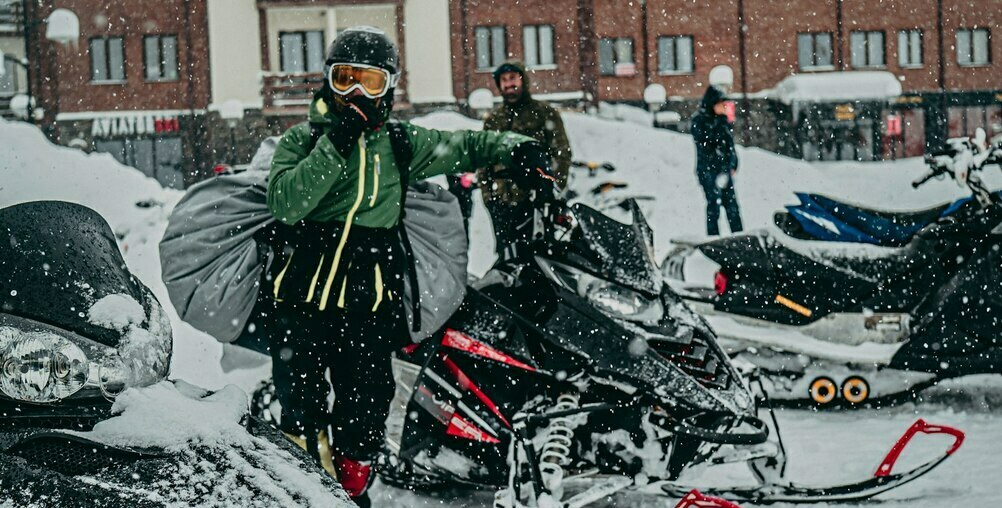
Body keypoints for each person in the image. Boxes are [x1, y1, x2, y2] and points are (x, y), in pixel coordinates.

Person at [262, 27, 553, 505]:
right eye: (346, 79)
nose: (357, 93)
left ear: (389, 87)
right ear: (328, 81)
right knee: (301, 414)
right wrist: (338, 141)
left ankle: (351, 492)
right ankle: (306, 493)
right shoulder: (303, 140)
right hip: (303, 305)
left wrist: (516, 147)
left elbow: (463, 145)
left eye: (370, 81)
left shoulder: (397, 144)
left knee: (366, 413)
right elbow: (287, 203)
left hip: (369, 306)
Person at [480, 60, 571, 258]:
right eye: (504, 80)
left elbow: (561, 153)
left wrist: (551, 188)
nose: (509, 84)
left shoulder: (543, 113)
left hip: (535, 201)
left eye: (513, 78)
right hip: (502, 202)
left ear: (523, 80)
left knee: (538, 257)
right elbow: (483, 160)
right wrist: (489, 198)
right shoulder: (494, 120)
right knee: (507, 258)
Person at [692, 85, 743, 236]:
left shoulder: (722, 122)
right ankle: (713, 240)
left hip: (725, 171)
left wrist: (733, 164)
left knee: (732, 208)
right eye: (721, 104)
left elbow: (729, 147)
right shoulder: (701, 121)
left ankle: (739, 238)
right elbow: (706, 147)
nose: (724, 107)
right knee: (713, 206)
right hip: (709, 171)